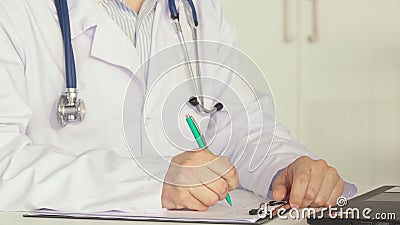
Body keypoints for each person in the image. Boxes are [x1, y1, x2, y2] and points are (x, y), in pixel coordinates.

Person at [0, 0, 356, 212]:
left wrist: (287, 168)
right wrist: (152, 182)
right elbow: (5, 166)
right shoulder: (17, 12)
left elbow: (242, 128)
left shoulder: (195, 10)